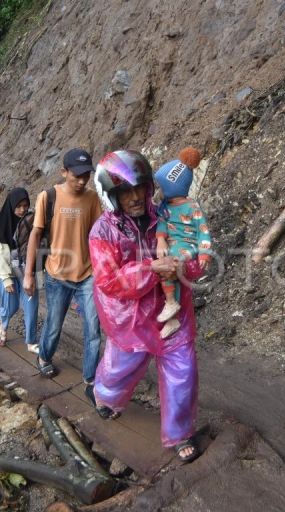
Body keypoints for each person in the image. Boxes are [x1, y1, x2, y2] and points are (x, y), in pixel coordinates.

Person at [90, 149, 205, 463]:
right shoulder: (103, 231)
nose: (136, 197)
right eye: (125, 191)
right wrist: (151, 269)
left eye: (140, 188)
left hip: (172, 311)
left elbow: (196, 260)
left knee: (183, 372)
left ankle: (179, 433)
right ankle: (106, 398)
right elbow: (109, 280)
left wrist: (182, 264)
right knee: (120, 369)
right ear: (112, 196)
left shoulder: (168, 216)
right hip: (129, 318)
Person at [23, 148, 102, 387]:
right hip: (57, 274)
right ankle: (44, 356)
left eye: (85, 175)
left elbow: (99, 235)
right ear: (63, 172)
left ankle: (90, 377)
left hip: (87, 274)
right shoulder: (48, 197)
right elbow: (35, 236)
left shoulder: (92, 198)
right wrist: (28, 275)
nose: (81, 181)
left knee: (94, 329)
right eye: (76, 175)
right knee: (54, 324)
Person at [153, 147, 212, 338]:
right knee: (165, 268)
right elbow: (162, 224)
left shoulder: (191, 206)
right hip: (171, 245)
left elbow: (203, 231)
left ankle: (171, 304)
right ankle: (172, 317)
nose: (160, 191)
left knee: (171, 264)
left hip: (188, 246)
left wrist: (204, 252)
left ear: (173, 187)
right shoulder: (166, 207)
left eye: (162, 187)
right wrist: (161, 240)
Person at [0, 187, 39, 353]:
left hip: (26, 269)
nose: (22, 210)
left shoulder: (31, 219)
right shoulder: (2, 225)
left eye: (25, 205)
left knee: (31, 303)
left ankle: (31, 341)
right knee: (10, 306)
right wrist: (5, 279)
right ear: (11, 206)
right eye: (18, 206)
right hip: (8, 271)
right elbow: (1, 255)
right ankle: (3, 325)